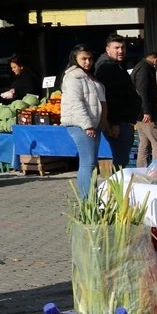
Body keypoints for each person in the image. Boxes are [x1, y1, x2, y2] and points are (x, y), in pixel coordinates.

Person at [60, 45, 105, 199]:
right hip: (82, 125)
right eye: (83, 59)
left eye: (90, 59)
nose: (87, 62)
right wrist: (88, 125)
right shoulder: (73, 77)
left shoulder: (88, 76)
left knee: (91, 164)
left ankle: (91, 198)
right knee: (88, 163)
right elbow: (76, 103)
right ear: (75, 59)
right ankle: (87, 200)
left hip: (93, 124)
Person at [93, 34, 140, 170]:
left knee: (121, 159)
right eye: (116, 48)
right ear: (108, 49)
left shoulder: (117, 65)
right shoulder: (107, 67)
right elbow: (109, 98)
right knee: (120, 161)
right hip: (118, 123)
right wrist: (113, 123)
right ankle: (116, 189)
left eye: (123, 47)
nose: (120, 51)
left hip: (123, 121)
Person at [132, 51, 157, 168]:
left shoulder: (140, 67)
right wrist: (147, 111)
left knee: (144, 143)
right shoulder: (145, 70)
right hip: (145, 113)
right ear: (155, 60)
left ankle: (142, 169)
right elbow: (143, 92)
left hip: (140, 113)